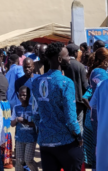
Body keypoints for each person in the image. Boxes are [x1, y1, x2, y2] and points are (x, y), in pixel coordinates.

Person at [31, 42, 83, 171]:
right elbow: (71, 117)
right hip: (66, 143)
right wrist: (78, 135)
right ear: (59, 59)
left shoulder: (37, 81)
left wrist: (45, 128)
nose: (69, 58)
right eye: (67, 56)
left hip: (45, 142)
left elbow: (35, 113)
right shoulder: (66, 83)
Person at [62, 44, 89, 133]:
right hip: (79, 101)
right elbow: (85, 85)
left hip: (65, 99)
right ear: (75, 53)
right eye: (78, 52)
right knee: (79, 123)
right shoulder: (80, 66)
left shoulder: (62, 65)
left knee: (67, 122)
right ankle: (79, 143)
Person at [11, 86, 38, 171]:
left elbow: (36, 123)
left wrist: (26, 122)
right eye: (20, 95)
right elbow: (12, 124)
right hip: (19, 138)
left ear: (29, 96)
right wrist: (17, 119)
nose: (22, 97)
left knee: (28, 160)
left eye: (25, 95)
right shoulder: (16, 108)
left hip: (31, 138)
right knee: (19, 161)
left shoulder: (33, 108)